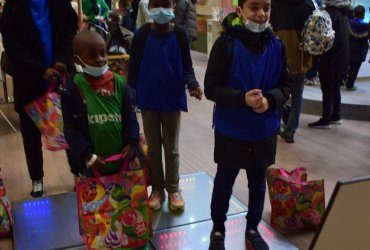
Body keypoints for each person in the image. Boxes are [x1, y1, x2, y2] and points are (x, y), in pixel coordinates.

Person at [204, 0, 291, 249]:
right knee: (224, 182)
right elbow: (211, 87)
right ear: (240, 10)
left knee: (257, 184)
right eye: (254, 7)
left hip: (264, 130)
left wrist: (270, 99)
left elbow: (286, 85)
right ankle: (218, 229)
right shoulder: (227, 43)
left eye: (267, 7)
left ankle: (252, 228)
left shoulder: (277, 45)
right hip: (231, 128)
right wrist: (241, 99)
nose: (261, 14)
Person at [127, 0, 203, 211]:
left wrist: (193, 85)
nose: (162, 8)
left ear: (174, 6)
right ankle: (157, 189)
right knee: (153, 148)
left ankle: (173, 189)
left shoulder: (180, 34)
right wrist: (129, 97)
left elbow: (187, 66)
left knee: (171, 148)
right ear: (149, 7)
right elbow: (133, 69)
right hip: (148, 99)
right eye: (157, 3)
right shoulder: (141, 35)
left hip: (172, 99)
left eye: (166, 3)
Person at [0, 0, 78, 198]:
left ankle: (77, 173)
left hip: (60, 76)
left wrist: (62, 59)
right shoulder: (12, 6)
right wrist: (40, 70)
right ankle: (37, 178)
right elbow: (12, 47)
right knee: (31, 135)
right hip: (29, 79)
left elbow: (70, 28)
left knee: (70, 130)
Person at [60, 30, 140, 176]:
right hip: (90, 165)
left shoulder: (121, 85)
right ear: (77, 60)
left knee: (123, 197)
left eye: (103, 54)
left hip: (122, 161)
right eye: (92, 56)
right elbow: (70, 130)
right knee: (96, 198)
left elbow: (130, 117)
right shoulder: (71, 92)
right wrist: (87, 155)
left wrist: (131, 143)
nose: (100, 59)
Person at [270, 0, 314, 143]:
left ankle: (274, 127)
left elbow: (272, 25)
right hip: (300, 58)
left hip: (279, 55)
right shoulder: (309, 4)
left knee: (277, 92)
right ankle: (290, 130)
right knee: (297, 96)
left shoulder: (276, 3)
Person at [308, 0, 350, 128]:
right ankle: (336, 115)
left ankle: (326, 119)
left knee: (327, 89)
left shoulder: (328, 14)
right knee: (335, 88)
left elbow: (322, 38)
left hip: (329, 58)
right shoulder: (343, 13)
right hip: (341, 58)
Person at [346, 5, 369, 91]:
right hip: (360, 50)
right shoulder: (367, 25)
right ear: (363, 14)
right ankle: (350, 85)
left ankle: (341, 81)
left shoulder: (348, 23)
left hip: (348, 49)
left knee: (345, 66)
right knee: (354, 69)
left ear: (353, 13)